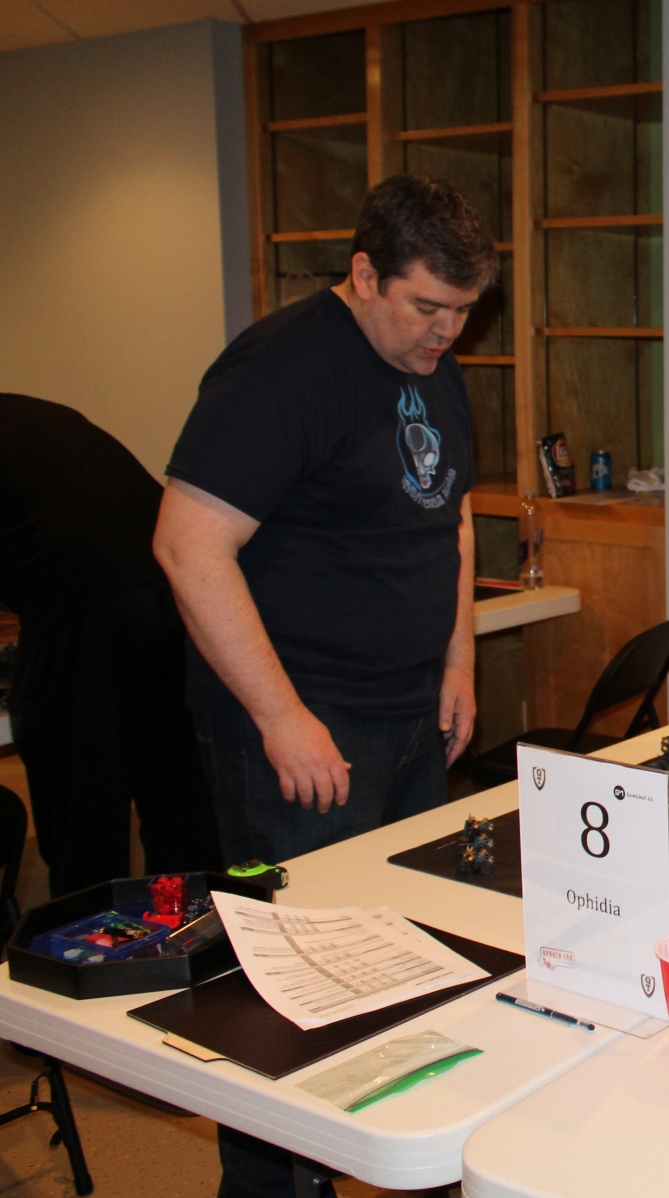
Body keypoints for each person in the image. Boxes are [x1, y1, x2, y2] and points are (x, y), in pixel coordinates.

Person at [153, 174, 494, 1198]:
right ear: (363, 273)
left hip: (408, 713)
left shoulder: (432, 364)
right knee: (292, 984)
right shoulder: (281, 369)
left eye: (463, 311)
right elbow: (188, 547)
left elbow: (452, 516)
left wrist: (458, 659)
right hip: (303, 726)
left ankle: (371, 1157)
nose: (446, 332)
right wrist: (281, 717)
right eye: (426, 306)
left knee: (400, 960)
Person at [0, 394, 223, 897]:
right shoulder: (31, 415)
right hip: (173, 582)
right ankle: (192, 919)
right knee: (177, 787)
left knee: (80, 789)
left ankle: (88, 924)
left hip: (86, 599)